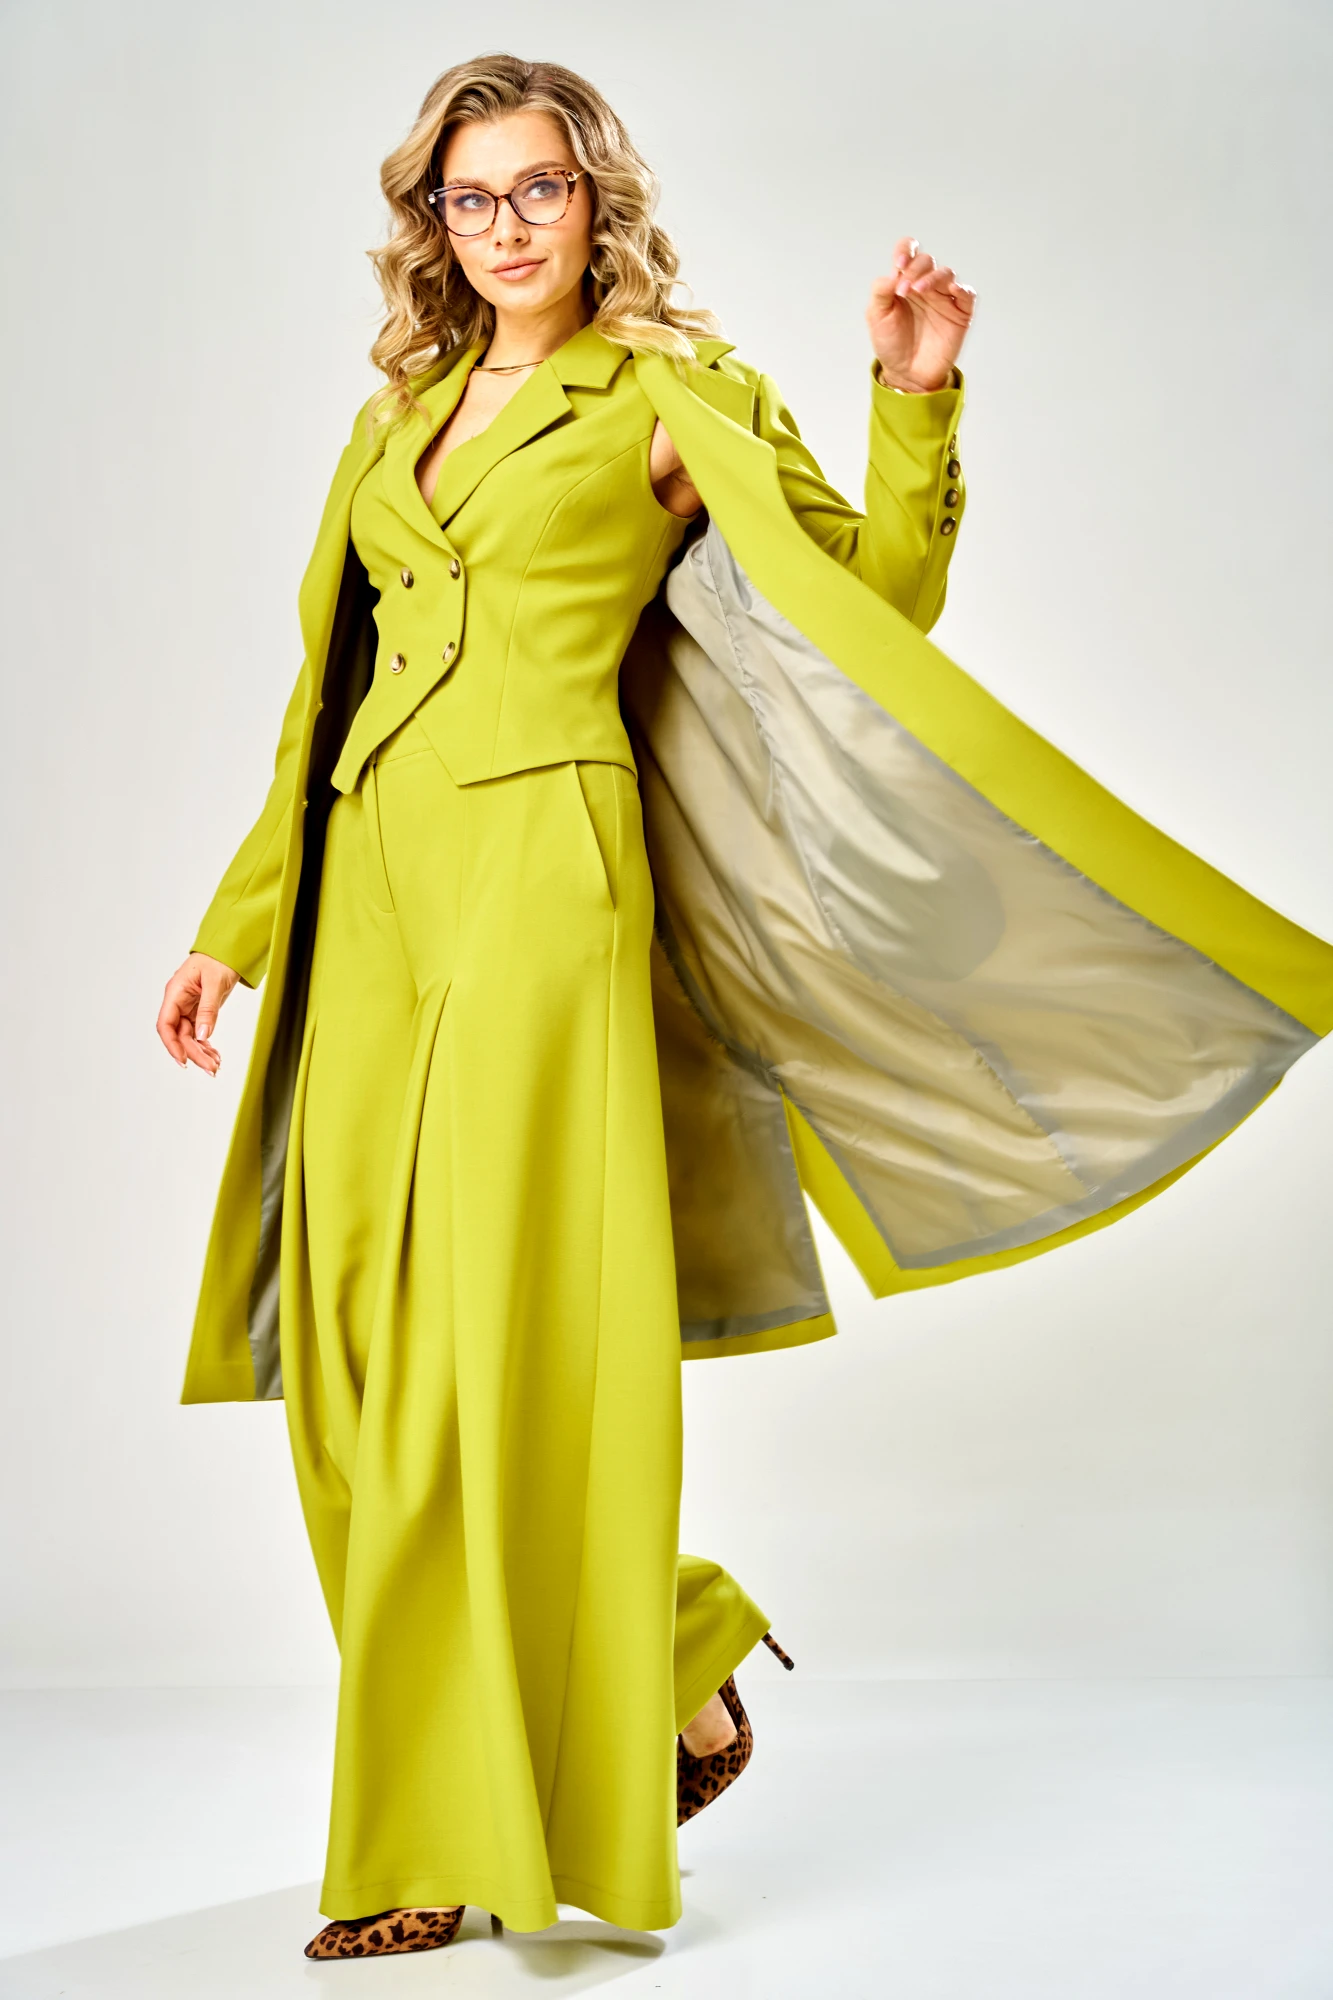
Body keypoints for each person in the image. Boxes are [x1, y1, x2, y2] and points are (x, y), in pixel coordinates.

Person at [157, 50, 1331, 1967]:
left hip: (545, 886)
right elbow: (325, 700)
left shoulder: (665, 400)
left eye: (540, 188)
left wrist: (914, 397)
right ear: (433, 220)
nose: (508, 226)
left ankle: (437, 1841)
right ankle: (677, 1642)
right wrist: (237, 928)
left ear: (594, 201)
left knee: (489, 1355)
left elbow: (870, 602)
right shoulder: (397, 419)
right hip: (365, 894)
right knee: (353, 1367)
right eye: (472, 197)